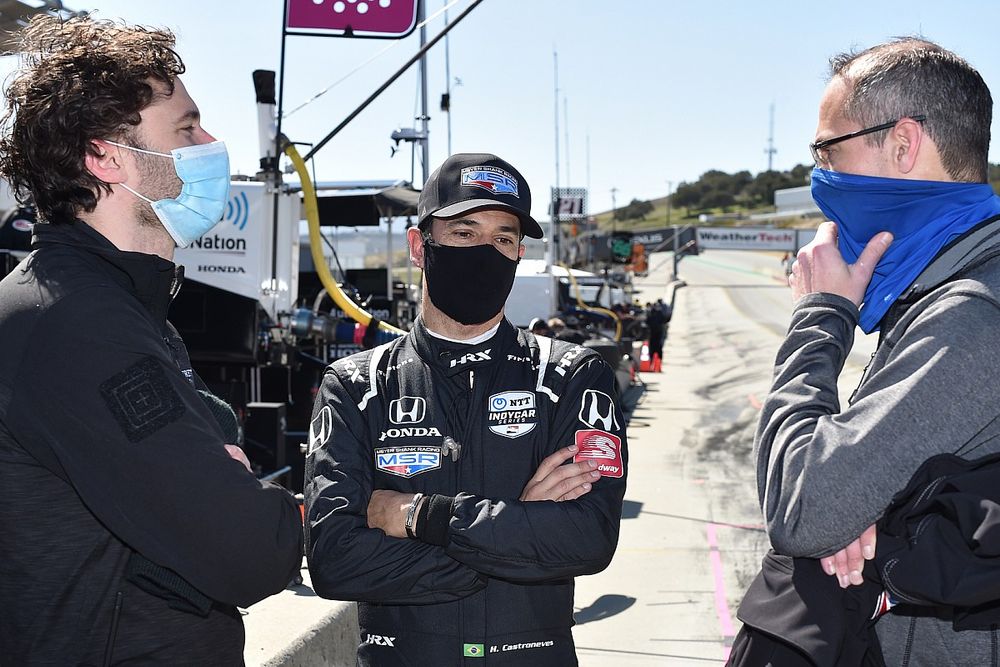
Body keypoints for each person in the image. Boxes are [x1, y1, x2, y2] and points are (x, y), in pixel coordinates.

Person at [0, 16, 303, 665]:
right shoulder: (76, 324)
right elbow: (248, 548)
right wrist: (258, 501)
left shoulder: (122, 309)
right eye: (187, 127)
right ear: (105, 156)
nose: (211, 142)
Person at [305, 152, 628, 666]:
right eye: (464, 233)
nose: (487, 250)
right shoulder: (355, 385)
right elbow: (334, 560)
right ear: (419, 245)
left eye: (503, 238)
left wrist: (417, 514)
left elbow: (588, 539)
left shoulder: (571, 376)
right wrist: (515, 538)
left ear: (519, 253)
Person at [751, 37, 1000, 664]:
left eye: (827, 150)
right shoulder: (953, 287)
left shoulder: (968, 313)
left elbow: (804, 508)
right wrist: (885, 515)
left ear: (904, 143)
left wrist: (820, 314)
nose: (820, 177)